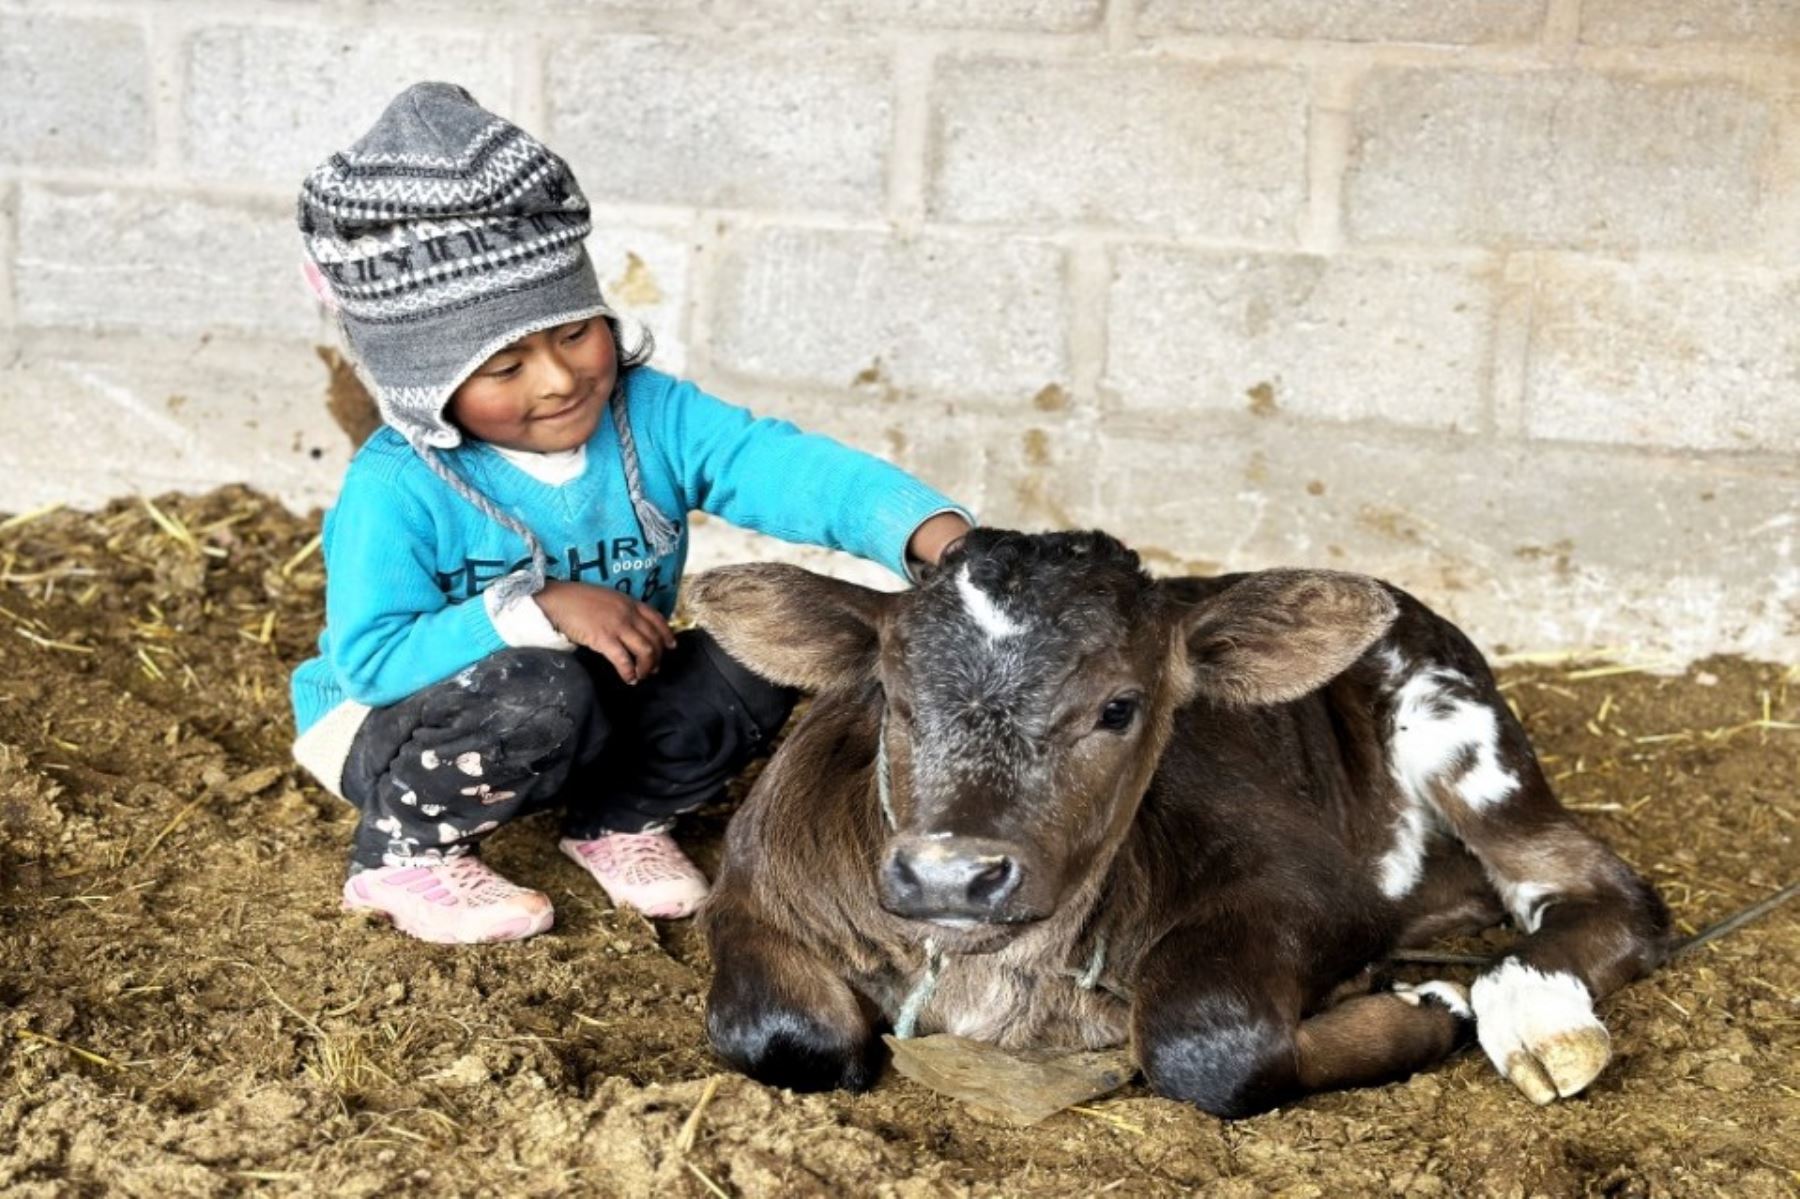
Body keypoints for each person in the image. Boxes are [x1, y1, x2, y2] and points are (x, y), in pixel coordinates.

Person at [289, 82, 971, 945]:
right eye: (503, 366)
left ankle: (615, 819)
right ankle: (401, 854)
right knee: (537, 685)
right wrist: (534, 609)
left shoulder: (648, 417)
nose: (559, 378)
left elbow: (784, 466)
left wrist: (924, 532)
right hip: (407, 724)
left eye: (574, 332)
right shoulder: (396, 486)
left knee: (760, 647)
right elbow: (374, 661)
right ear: (425, 385)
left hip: (597, 697)